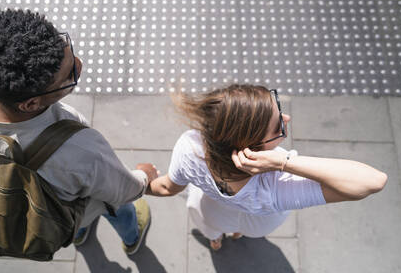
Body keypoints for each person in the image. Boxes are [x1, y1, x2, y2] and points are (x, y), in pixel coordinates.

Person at [0, 9, 158, 255]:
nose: (80, 64)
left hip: (43, 214)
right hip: (78, 208)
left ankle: (80, 233)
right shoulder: (79, 148)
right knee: (120, 209)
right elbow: (122, 190)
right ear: (31, 104)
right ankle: (131, 238)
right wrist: (144, 178)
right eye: (70, 75)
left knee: (79, 217)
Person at [147, 84, 388, 250]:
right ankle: (237, 234)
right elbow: (372, 181)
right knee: (244, 228)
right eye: (278, 128)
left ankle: (216, 240)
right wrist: (282, 162)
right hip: (259, 222)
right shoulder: (277, 186)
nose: (287, 119)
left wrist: (138, 183)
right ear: (254, 148)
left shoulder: (190, 149)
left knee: (213, 225)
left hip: (214, 210)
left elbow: (167, 187)